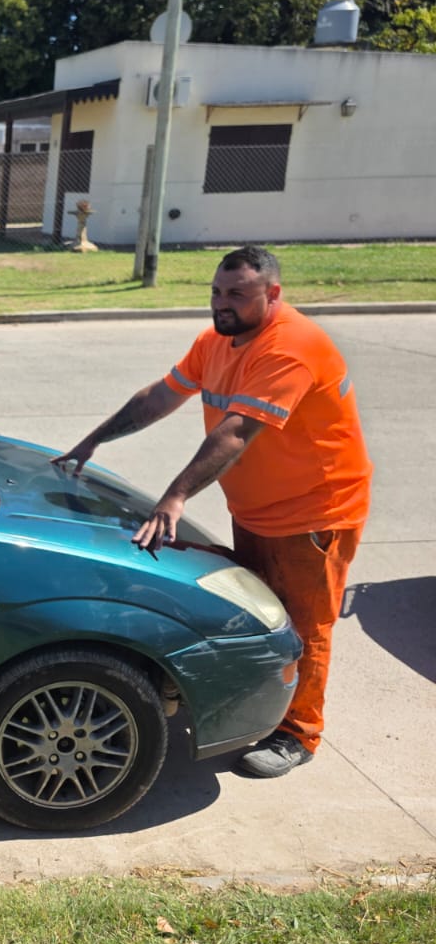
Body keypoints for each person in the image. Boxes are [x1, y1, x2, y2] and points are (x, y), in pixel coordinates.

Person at [52, 245, 372, 778]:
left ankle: (299, 734)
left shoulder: (290, 347)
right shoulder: (217, 340)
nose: (222, 304)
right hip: (259, 509)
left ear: (273, 294)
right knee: (263, 612)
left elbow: (237, 430)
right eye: (217, 292)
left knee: (305, 625)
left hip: (315, 515)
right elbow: (160, 396)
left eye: (238, 295)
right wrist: (94, 440)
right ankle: (266, 707)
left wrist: (175, 495)